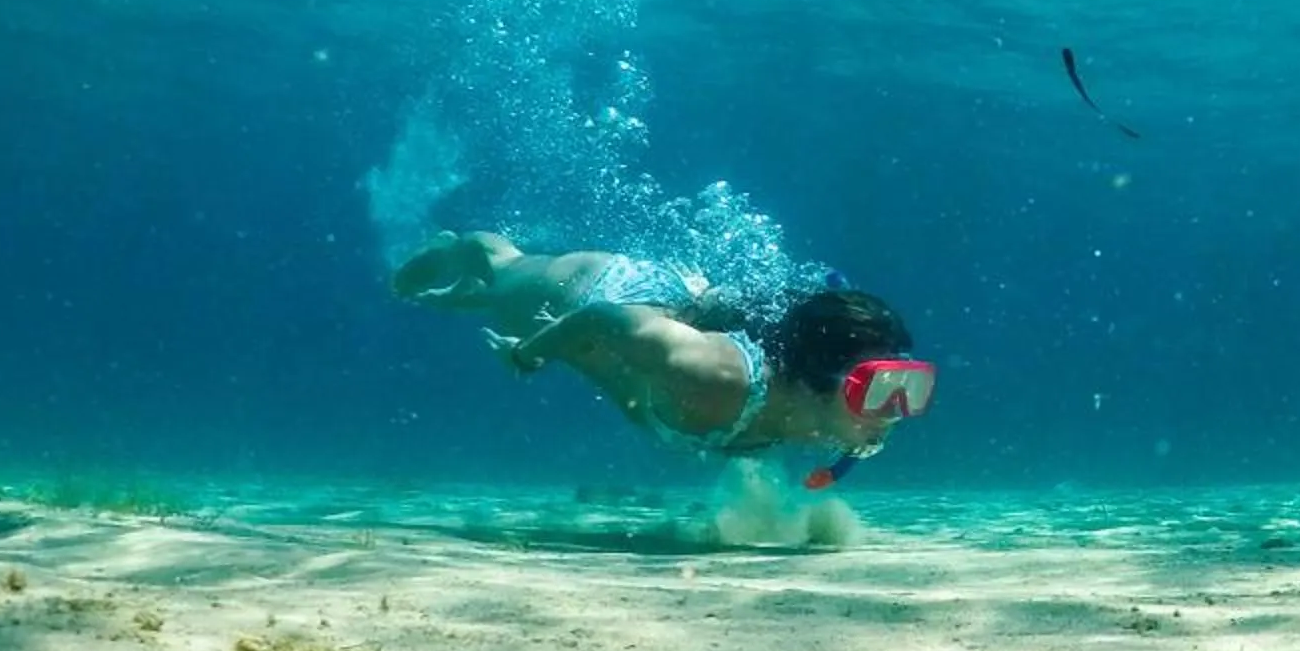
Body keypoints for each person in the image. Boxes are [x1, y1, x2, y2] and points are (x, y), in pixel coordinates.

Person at [390, 231, 932, 471]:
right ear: (818, 376)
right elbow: (601, 319)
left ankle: (463, 297)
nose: (897, 412)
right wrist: (529, 354)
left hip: (638, 344)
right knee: (507, 275)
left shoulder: (817, 418)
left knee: (480, 303)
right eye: (881, 388)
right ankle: (459, 247)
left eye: (909, 387)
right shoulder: (713, 377)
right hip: (603, 296)